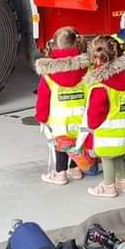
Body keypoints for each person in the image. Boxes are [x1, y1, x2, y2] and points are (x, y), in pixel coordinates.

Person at [34, 26, 89, 186]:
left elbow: (43, 99)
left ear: (54, 48)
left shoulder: (49, 75)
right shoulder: (86, 69)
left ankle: (60, 174)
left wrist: (41, 118)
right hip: (81, 117)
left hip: (59, 121)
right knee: (77, 143)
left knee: (61, 146)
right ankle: (76, 169)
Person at [83, 36, 125, 198]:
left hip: (106, 130)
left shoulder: (101, 85)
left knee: (106, 157)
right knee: (118, 154)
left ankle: (108, 186)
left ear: (97, 59)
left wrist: (91, 126)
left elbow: (97, 110)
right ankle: (124, 181)